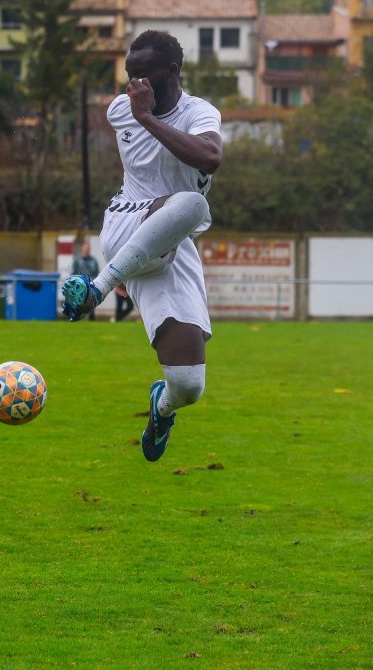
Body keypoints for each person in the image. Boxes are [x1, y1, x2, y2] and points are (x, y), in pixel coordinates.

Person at [61, 30, 222, 463]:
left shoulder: (198, 112)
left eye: (144, 73)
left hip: (173, 242)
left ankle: (161, 407)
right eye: (130, 74)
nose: (135, 84)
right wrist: (140, 112)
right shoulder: (121, 109)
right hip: (126, 224)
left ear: (172, 71)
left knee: (189, 384)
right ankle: (97, 287)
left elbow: (210, 157)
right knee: (193, 203)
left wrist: (150, 118)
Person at [70, 242, 100, 321]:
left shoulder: (94, 261)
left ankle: (91, 318)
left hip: (90, 286)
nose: (86, 250)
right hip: (80, 286)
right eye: (85, 249)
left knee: (91, 304)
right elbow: (73, 273)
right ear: (82, 249)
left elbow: (96, 274)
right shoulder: (77, 260)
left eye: (88, 249)